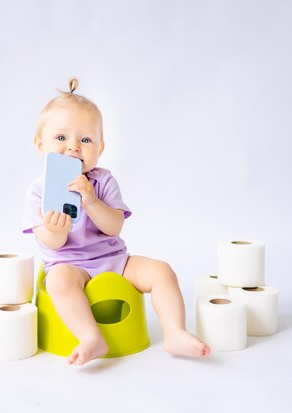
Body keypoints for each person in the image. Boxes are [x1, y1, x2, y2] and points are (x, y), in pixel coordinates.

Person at [23, 78, 210, 365]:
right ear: (40, 145)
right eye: (61, 139)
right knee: (58, 282)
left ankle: (175, 332)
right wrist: (55, 231)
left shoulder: (103, 180)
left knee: (161, 271)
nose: (73, 147)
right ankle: (91, 337)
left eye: (85, 140)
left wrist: (92, 201)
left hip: (115, 259)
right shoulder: (38, 192)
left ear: (100, 148)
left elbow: (114, 227)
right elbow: (51, 243)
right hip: (69, 264)